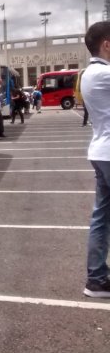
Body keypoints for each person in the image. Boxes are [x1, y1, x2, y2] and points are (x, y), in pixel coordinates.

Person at [80, 21, 110, 297]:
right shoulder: (104, 73)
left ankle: (97, 278)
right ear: (107, 44)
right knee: (102, 217)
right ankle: (97, 278)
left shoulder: (89, 74)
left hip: (100, 152)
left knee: (101, 217)